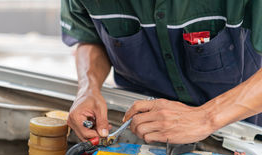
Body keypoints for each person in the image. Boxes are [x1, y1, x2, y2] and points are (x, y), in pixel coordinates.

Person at [61, 0, 262, 144]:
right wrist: (88, 89)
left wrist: (204, 118)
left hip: (240, 132)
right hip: (139, 132)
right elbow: (89, 36)